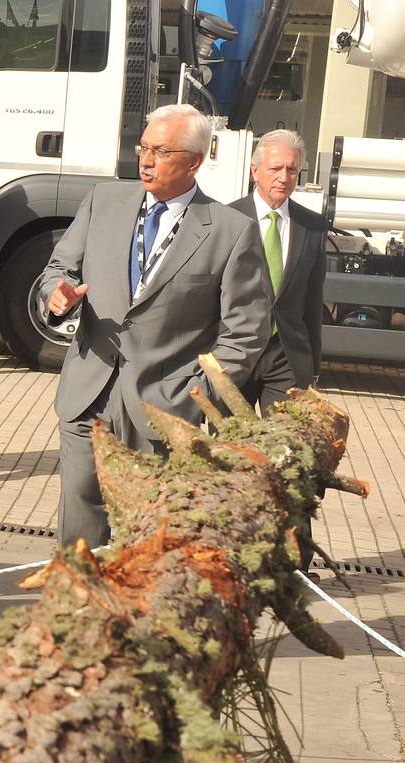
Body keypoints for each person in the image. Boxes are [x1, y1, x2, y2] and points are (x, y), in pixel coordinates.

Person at [41, 104, 272, 548]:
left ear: (193, 162)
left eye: (160, 152)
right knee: (79, 526)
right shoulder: (103, 201)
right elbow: (58, 269)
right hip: (87, 391)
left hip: (162, 406)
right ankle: (80, 612)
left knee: (143, 536)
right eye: (143, 148)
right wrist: (58, 297)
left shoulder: (231, 230)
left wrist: (195, 392)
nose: (145, 160)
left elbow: (246, 331)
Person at [228, 129, 326, 411]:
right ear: (255, 171)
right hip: (235, 354)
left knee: (285, 450)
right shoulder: (227, 219)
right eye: (275, 168)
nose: (284, 177)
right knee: (232, 450)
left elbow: (312, 300)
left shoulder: (313, 226)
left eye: (292, 169)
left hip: (287, 359)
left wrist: (314, 366)